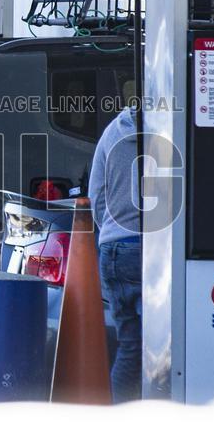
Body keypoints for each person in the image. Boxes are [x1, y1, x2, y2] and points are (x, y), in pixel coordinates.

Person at [88, 106, 142, 403]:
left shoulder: (112, 131)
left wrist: (111, 231)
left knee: (130, 345)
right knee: (160, 348)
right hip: (152, 248)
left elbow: (97, 195)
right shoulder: (173, 132)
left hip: (113, 248)